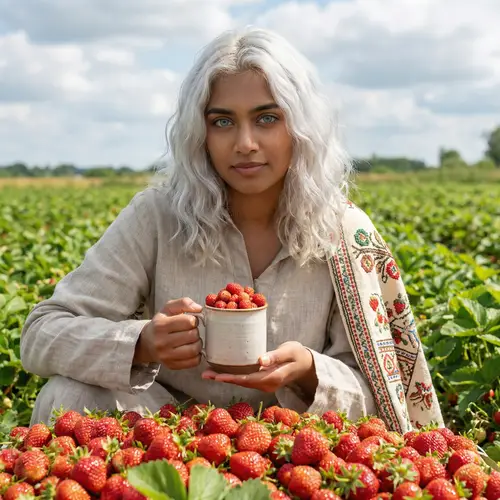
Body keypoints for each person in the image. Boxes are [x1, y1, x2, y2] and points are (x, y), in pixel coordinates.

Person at [20, 27, 443, 432]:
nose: (245, 143)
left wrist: (310, 371)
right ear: (198, 133)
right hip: (167, 434)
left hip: (294, 446)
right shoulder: (157, 216)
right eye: (222, 121)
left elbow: (386, 397)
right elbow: (42, 332)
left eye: (267, 118)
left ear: (302, 128)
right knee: (68, 395)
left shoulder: (343, 230)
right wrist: (143, 342)